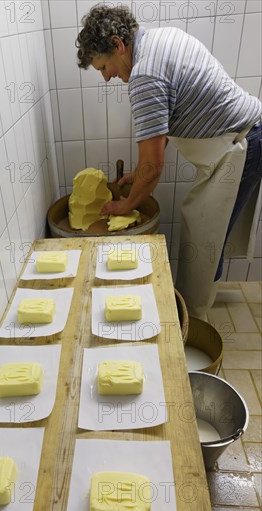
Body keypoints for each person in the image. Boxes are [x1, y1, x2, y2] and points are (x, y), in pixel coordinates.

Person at [76, 4, 262, 319]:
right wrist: (140, 173)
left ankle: (195, 321)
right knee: (206, 229)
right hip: (244, 135)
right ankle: (195, 305)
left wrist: (125, 205)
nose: (107, 78)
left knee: (206, 238)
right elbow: (161, 131)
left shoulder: (144, 75)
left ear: (118, 46)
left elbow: (154, 169)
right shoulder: (164, 38)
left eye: (103, 67)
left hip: (243, 145)